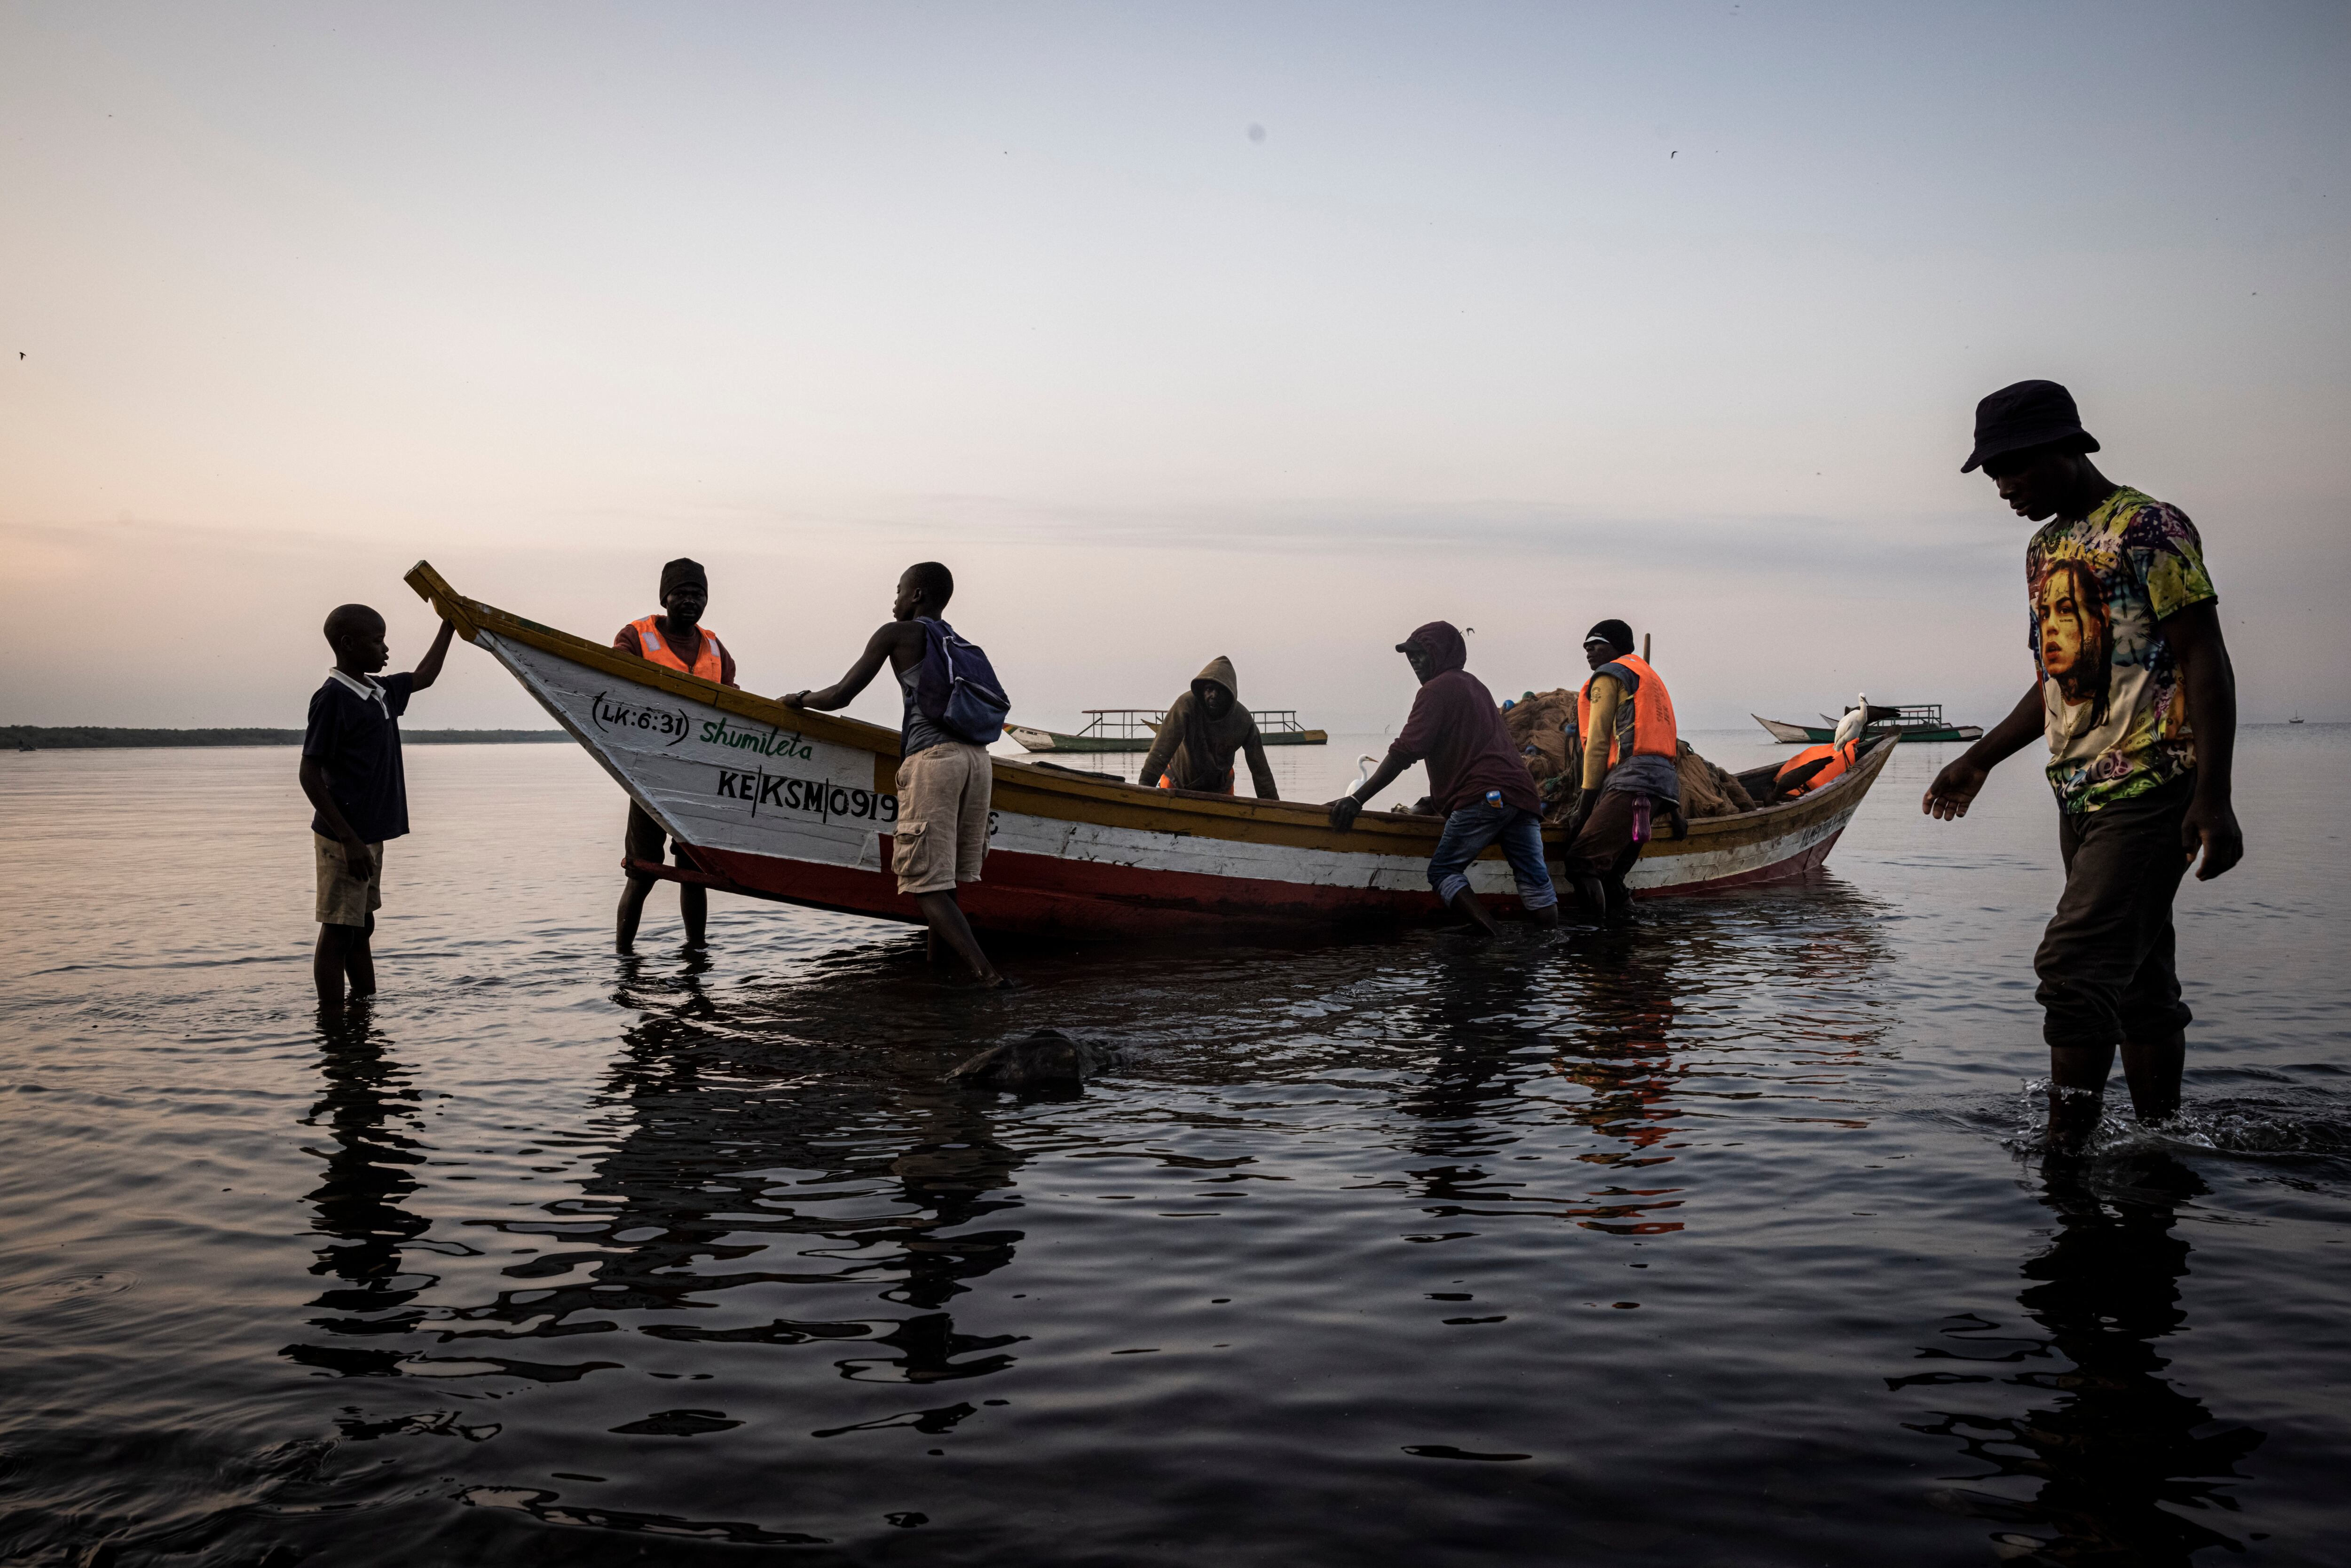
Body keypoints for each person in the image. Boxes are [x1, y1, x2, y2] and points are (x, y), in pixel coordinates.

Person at [1924, 379, 2241, 1153]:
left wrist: (2215, 798)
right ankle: (2161, 1143)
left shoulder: (2149, 528)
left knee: (2071, 968)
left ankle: (2066, 1153)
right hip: (2080, 795)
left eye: (2015, 467)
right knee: (2135, 983)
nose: (2004, 487)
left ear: (2067, 447)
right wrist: (1980, 759)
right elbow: (2057, 683)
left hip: (2152, 784)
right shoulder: (2045, 550)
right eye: (1994, 474)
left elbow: (2205, 656)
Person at [782, 562, 1012, 988]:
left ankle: (988, 976)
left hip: (934, 761)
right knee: (944, 880)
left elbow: (840, 695)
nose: (894, 601)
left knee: (925, 884)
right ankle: (938, 973)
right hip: (978, 762)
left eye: (899, 591)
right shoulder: (962, 645)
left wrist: (798, 699)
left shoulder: (898, 635)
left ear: (918, 595)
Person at [1327, 621, 1558, 937]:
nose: (1416, 663)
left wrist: (1357, 800)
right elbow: (1473, 751)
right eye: (1411, 658)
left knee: (1443, 870)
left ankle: (1496, 937)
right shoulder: (1475, 686)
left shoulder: (1435, 690)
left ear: (1442, 653)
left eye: (1422, 655)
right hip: (1522, 797)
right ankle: (1550, 943)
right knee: (1535, 880)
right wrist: (1433, 803)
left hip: (1484, 797)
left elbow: (1404, 752)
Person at [299, 603, 457, 1005]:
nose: (385, 649)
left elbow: (424, 676)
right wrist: (348, 840)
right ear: (348, 645)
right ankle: (332, 1027)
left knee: (362, 926)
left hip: (367, 835)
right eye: (377, 640)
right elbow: (309, 775)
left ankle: (365, 1004)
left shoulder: (379, 692)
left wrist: (450, 625)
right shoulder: (333, 698)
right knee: (338, 930)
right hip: (344, 838)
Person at [614, 557, 737, 953]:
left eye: (698, 595)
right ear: (665, 597)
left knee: (693, 870)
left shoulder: (716, 647)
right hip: (649, 775)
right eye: (682, 593)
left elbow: (733, 702)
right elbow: (611, 682)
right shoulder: (636, 637)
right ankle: (623, 954)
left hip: (701, 778)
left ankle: (696, 950)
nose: (690, 601)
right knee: (642, 872)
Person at [1558, 619, 1680, 921]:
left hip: (1631, 784)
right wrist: (1675, 808)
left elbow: (1598, 744)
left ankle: (1594, 945)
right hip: (1662, 786)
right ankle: (1624, 938)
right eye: (1586, 646)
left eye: (1597, 644)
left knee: (1582, 863)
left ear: (1617, 647)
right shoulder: (1647, 676)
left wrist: (1584, 808)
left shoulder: (1609, 676)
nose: (1589, 651)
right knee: (1610, 875)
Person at [1136, 656, 1279, 797]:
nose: (1214, 696)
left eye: (1220, 691)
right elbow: (1161, 750)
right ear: (1201, 691)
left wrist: (1273, 809)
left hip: (1220, 788)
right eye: (1209, 690)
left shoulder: (1243, 720)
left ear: (1230, 695)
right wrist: (1143, 789)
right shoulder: (1186, 705)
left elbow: (1261, 770)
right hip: (1178, 781)